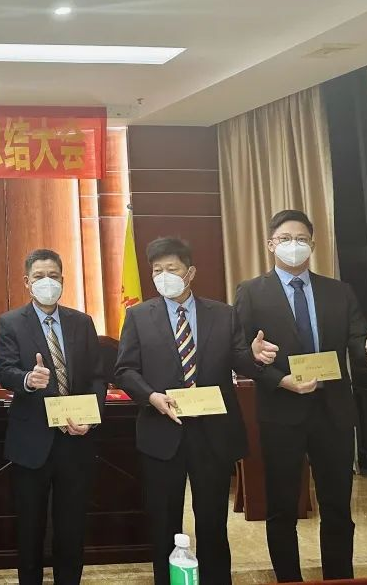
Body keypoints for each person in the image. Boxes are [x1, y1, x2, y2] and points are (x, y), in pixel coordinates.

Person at [234, 209, 367, 582]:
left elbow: (357, 340)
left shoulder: (339, 291)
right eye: (285, 239)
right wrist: (275, 376)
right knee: (282, 508)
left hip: (333, 412)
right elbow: (239, 353)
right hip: (281, 412)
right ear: (271, 244)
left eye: (301, 239)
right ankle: (289, 579)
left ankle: (338, 578)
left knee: (337, 507)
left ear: (313, 245)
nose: (294, 245)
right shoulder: (251, 292)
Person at [115, 236, 264, 585]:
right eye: (157, 270)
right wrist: (151, 396)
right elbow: (124, 370)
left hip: (212, 433)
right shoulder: (138, 316)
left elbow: (241, 360)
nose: (164, 276)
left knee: (212, 522)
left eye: (172, 269)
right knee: (163, 522)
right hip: (161, 431)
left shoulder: (223, 314)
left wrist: (255, 356)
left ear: (190, 272)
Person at [0, 248, 106, 585]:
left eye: (53, 276)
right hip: (31, 442)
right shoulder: (11, 322)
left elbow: (98, 377)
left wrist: (92, 416)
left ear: (63, 280)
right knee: (30, 528)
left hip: (75, 438)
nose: (47, 282)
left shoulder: (81, 322)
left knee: (71, 526)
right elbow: (5, 370)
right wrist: (28, 379)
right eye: (40, 276)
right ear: (27, 282)